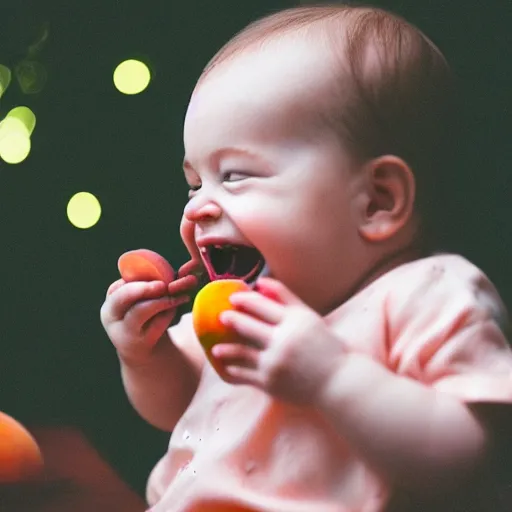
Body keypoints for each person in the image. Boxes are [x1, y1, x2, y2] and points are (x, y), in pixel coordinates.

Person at [100, 3, 512, 511]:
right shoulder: (235, 310)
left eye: (235, 176)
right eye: (193, 184)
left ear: (376, 202)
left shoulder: (425, 295)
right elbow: (173, 406)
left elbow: (469, 459)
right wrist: (145, 354)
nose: (200, 208)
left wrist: (333, 377)